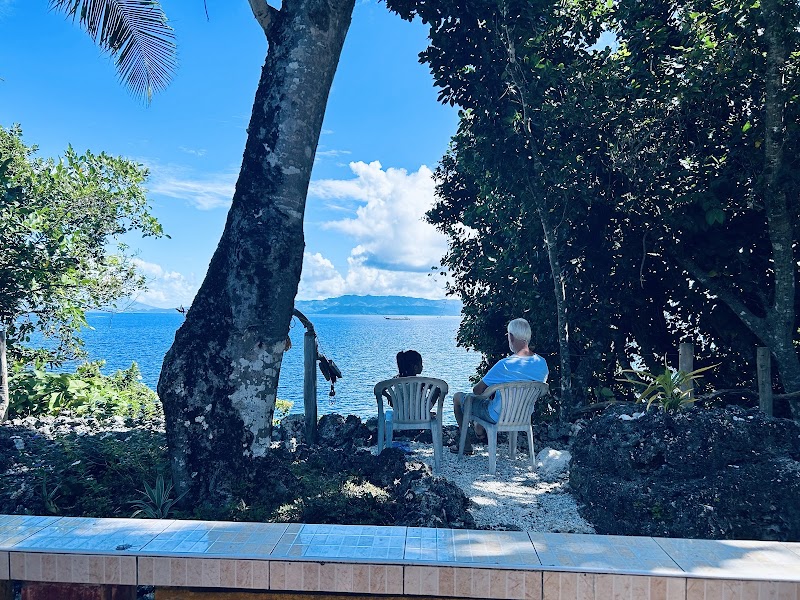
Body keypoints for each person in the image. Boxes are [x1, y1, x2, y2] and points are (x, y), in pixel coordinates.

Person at [452, 318, 548, 449]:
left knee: (458, 398)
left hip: (496, 415)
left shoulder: (505, 364)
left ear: (511, 337)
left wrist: (492, 391)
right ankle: (479, 427)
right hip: (524, 416)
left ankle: (466, 445)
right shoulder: (542, 363)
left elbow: (477, 390)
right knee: (487, 403)